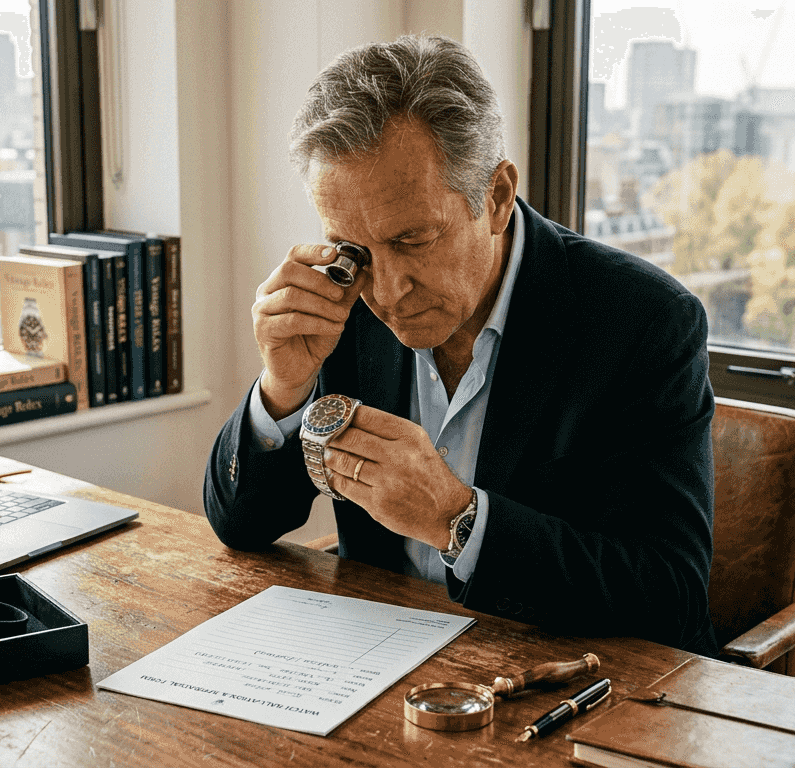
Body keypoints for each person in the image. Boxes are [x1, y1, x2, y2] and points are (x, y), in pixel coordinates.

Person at [203, 34, 717, 656]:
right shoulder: (341, 296)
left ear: (496, 198)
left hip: (554, 681)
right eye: (358, 250)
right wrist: (282, 392)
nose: (386, 292)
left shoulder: (643, 322)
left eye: (414, 240)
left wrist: (457, 519)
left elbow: (673, 598)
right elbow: (241, 525)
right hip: (376, 669)